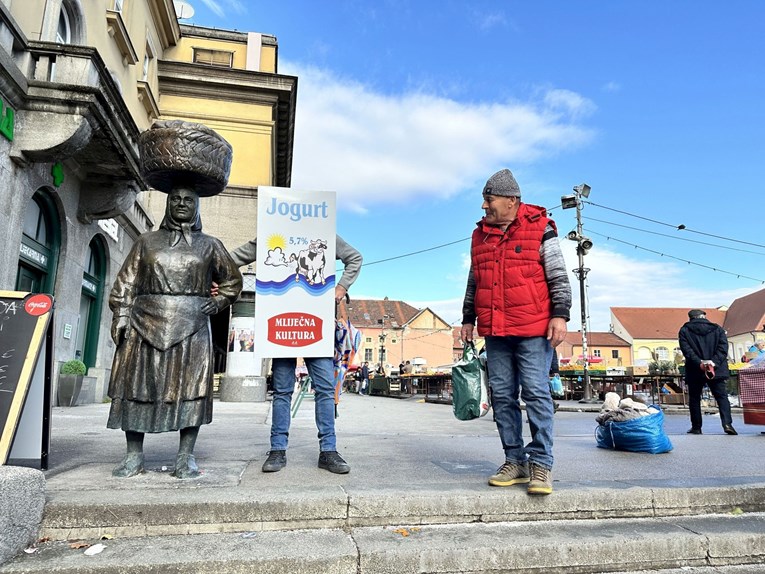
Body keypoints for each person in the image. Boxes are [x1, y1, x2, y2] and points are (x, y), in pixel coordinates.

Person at [108, 187, 243, 478]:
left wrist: (219, 300)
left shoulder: (210, 245)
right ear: (168, 204)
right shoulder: (146, 242)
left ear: (197, 206)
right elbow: (126, 282)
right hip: (145, 319)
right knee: (138, 386)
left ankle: (185, 457)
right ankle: (133, 456)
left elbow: (232, 281)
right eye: (176, 199)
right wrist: (121, 313)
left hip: (192, 323)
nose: (182, 204)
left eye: (189, 200)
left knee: (191, 389)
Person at [460, 168, 571, 496]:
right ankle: (514, 460)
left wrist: (560, 315)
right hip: (495, 329)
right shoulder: (478, 236)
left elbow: (558, 276)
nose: (484, 206)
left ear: (511, 201)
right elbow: (474, 280)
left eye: (489, 199)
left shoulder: (541, 228)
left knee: (536, 392)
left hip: (533, 329)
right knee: (503, 395)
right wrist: (468, 318)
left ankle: (541, 463)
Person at [229, 235, 362, 474]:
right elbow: (231, 259)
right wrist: (223, 280)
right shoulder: (273, 228)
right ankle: (278, 449)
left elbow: (355, 258)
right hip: (283, 322)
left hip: (316, 324)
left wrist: (341, 288)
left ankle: (328, 451)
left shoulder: (323, 231)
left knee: (323, 388)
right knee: (283, 390)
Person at [678, 309, 737, 436]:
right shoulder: (718, 329)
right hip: (716, 369)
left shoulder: (684, 330)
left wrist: (699, 362)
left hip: (695, 369)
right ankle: (727, 424)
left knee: (694, 398)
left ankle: (696, 427)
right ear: (704, 316)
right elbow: (723, 348)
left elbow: (687, 350)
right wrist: (713, 362)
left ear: (691, 318)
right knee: (722, 397)